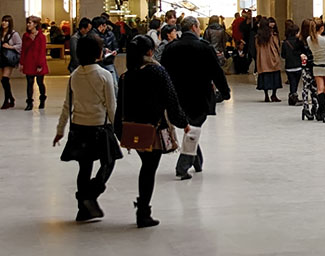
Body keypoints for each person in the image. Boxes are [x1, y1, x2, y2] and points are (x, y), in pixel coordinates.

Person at [115, 35, 190, 227]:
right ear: (150, 52)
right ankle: (143, 211)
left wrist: (119, 130)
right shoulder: (157, 72)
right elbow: (171, 101)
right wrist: (183, 123)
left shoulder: (126, 76)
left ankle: (143, 208)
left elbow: (120, 106)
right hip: (154, 129)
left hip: (133, 129)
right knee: (149, 169)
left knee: (146, 167)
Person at [53, 34, 121, 222]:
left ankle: (83, 209)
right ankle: (89, 195)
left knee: (85, 167)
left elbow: (68, 104)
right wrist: (119, 131)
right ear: (99, 53)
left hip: (79, 127)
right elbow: (111, 106)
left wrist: (60, 130)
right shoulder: (104, 75)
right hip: (100, 126)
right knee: (109, 161)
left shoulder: (75, 75)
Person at [161, 16, 231, 180]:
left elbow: (163, 74)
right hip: (200, 96)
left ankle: (197, 162)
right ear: (193, 27)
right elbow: (216, 71)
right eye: (198, 27)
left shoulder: (171, 48)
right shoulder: (204, 47)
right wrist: (225, 91)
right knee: (193, 128)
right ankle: (183, 166)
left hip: (177, 97)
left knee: (191, 127)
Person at [306, 18, 325, 123]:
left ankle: (321, 112)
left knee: (319, 89)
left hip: (317, 65)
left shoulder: (309, 39)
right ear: (322, 28)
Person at [21, 15, 48, 111]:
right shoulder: (26, 36)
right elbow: (23, 49)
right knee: (29, 82)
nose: (28, 25)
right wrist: (22, 63)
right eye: (27, 23)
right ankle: (29, 102)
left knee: (40, 82)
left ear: (35, 24)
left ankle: (42, 98)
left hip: (39, 62)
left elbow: (42, 51)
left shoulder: (41, 37)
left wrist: (40, 65)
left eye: (30, 23)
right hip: (29, 62)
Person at [255, 17, 282, 103]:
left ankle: (266, 95)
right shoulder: (272, 35)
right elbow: (277, 45)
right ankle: (274, 95)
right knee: (275, 75)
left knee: (264, 76)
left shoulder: (258, 36)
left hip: (262, 59)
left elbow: (256, 47)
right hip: (272, 57)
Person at [91, 16, 118, 93]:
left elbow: (115, 46)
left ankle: (115, 101)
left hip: (108, 61)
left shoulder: (110, 34)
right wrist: (104, 50)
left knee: (114, 83)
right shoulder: (93, 35)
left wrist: (115, 51)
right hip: (97, 62)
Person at [298, 19, 318, 120]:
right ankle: (306, 107)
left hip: (315, 64)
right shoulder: (300, 40)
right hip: (306, 66)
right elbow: (296, 51)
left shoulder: (315, 38)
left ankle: (315, 107)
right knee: (306, 87)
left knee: (314, 88)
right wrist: (301, 54)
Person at [0, 15, 21, 109]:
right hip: (1, 58)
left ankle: (6, 100)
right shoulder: (0, 33)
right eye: (3, 21)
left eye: (6, 21)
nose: (4, 23)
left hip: (9, 58)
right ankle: (11, 98)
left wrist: (10, 47)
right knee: (3, 81)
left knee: (5, 79)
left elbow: (20, 45)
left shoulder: (13, 34)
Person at [281, 24, 304, 105]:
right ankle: (293, 96)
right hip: (297, 65)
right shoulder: (299, 42)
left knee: (292, 82)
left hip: (289, 66)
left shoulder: (285, 43)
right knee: (295, 82)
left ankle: (292, 96)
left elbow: (283, 55)